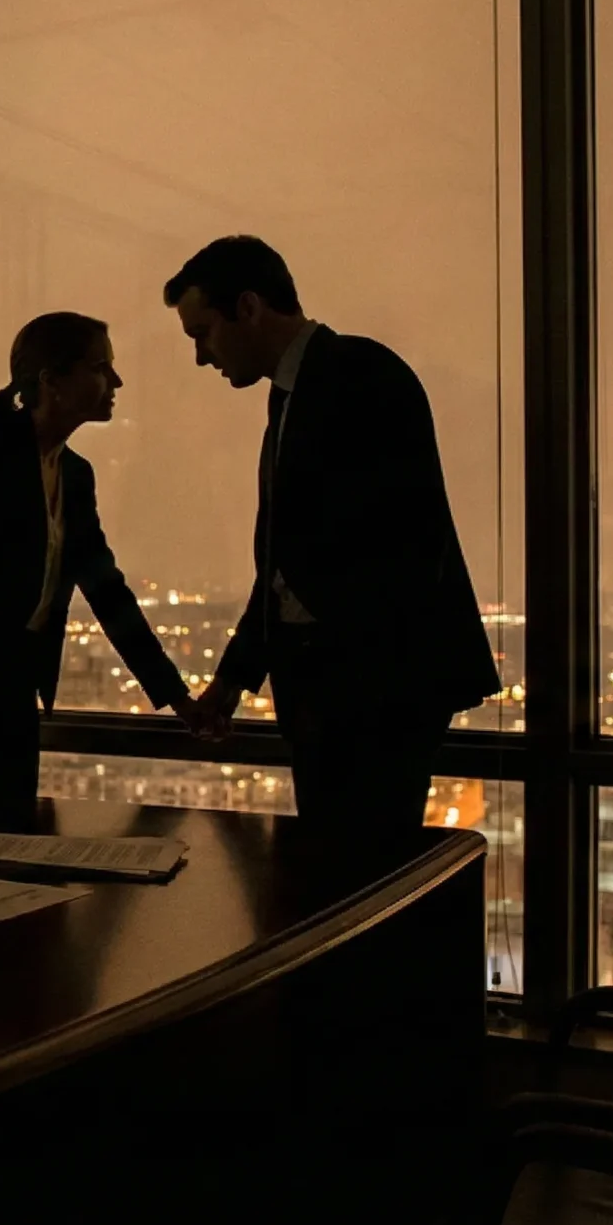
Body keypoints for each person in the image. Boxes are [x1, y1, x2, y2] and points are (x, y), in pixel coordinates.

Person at [166, 235, 499, 843]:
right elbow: (291, 564)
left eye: (201, 333)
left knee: (354, 873)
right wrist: (238, 677)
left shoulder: (356, 376)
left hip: (368, 696)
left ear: (248, 307)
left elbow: (389, 550)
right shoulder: (310, 389)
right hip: (357, 693)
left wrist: (313, 674)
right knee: (352, 875)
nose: (200, 356)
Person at [0, 311, 205, 832]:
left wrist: (175, 695)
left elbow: (107, 591)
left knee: (7, 846)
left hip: (8, 690)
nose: (115, 382)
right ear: (52, 381)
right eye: (101, 367)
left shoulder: (73, 475)